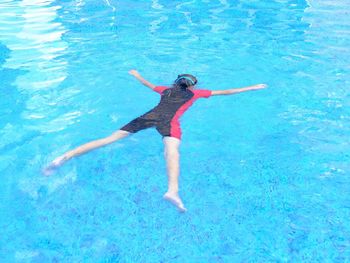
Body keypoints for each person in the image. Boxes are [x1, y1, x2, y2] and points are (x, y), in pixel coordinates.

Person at [43, 70, 267, 212]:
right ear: (191, 87)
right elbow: (226, 92)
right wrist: (251, 87)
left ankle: (64, 157)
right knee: (172, 152)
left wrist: (135, 74)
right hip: (169, 123)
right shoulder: (196, 94)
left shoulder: (165, 90)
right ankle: (172, 190)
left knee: (108, 139)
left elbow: (147, 84)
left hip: (148, 116)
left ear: (175, 83)